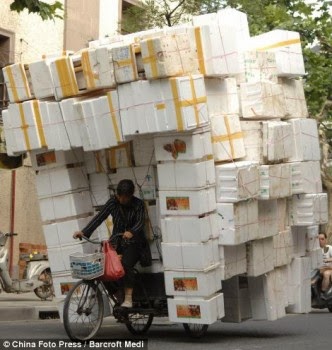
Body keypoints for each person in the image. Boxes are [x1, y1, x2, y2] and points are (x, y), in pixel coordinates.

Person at [73, 179, 146, 308]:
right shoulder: (113, 202)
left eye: (124, 198)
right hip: (117, 242)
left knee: (125, 265)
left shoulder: (138, 204)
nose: (121, 200)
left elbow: (140, 222)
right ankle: (118, 294)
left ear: (131, 195)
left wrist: (132, 231)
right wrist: (84, 232)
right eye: (119, 197)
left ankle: (128, 298)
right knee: (102, 268)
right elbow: (100, 217)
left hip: (134, 243)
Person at [318, 232, 332, 298]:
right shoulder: (315, 250)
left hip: (329, 268)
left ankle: (322, 293)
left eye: (322, 239)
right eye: (318, 239)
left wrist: (328, 259)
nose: (320, 241)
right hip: (319, 269)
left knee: (326, 274)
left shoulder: (329, 248)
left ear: (326, 239)